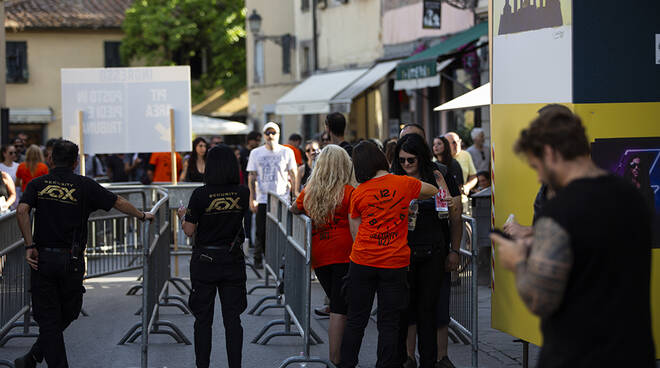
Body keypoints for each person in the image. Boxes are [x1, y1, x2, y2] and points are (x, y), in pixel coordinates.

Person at [490, 110, 656, 368]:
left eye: (537, 166)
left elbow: (539, 297)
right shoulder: (631, 196)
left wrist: (518, 261)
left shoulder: (560, 211)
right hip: (633, 352)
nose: (538, 177)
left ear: (551, 153)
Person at [13, 139, 154, 368]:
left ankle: (33, 356)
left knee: (50, 319)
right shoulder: (84, 185)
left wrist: (29, 246)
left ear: (50, 159)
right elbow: (117, 201)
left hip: (44, 259)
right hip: (72, 260)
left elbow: (21, 210)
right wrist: (141, 215)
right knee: (68, 312)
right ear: (76, 162)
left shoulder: (37, 184)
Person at [339, 141, 439, 368]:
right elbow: (432, 191)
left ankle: (346, 364)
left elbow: (355, 231)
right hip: (394, 263)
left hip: (363, 261)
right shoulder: (404, 184)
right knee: (389, 322)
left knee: (356, 319)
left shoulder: (359, 192)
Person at [177, 144, 249, 368]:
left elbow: (189, 230)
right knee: (233, 321)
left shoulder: (200, 194)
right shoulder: (242, 192)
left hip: (205, 261)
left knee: (203, 320)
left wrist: (182, 216)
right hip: (232, 259)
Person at [391, 134, 453, 368]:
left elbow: (447, 203)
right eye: (402, 160)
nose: (406, 164)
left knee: (427, 311)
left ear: (421, 158)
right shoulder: (396, 176)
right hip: (403, 251)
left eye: (411, 160)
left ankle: (428, 361)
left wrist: (452, 249)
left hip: (431, 250)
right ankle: (405, 359)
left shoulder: (435, 175)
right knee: (404, 311)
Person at [290, 144, 355, 365]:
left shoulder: (310, 191)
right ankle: (337, 358)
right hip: (345, 255)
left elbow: (293, 208)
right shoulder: (348, 191)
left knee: (338, 306)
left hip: (319, 256)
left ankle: (339, 357)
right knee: (340, 308)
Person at [246, 122, 297, 269]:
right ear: (263, 135)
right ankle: (270, 259)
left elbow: (293, 174)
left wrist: (294, 195)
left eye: (273, 133)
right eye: (267, 133)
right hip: (263, 198)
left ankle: (279, 260)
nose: (270, 136)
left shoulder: (287, 152)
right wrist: (252, 198)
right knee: (262, 232)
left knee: (282, 231)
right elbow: (252, 177)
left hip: (282, 197)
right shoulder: (256, 153)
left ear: (279, 134)